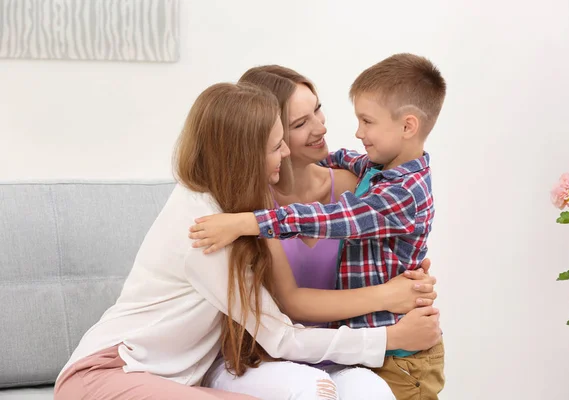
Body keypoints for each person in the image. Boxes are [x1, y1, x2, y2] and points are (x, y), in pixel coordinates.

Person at [53, 81, 438, 400]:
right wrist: (386, 338)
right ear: (243, 156)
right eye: (276, 145)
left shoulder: (234, 211)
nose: (287, 152)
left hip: (166, 379)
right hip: (106, 372)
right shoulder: (206, 225)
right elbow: (281, 335)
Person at [189, 53, 447, 399]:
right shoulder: (249, 200)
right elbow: (292, 302)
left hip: (357, 354)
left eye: (318, 109)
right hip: (273, 358)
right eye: (299, 124)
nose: (322, 127)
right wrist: (389, 295)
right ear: (269, 135)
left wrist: (409, 287)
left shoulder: (364, 185)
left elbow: (337, 219)